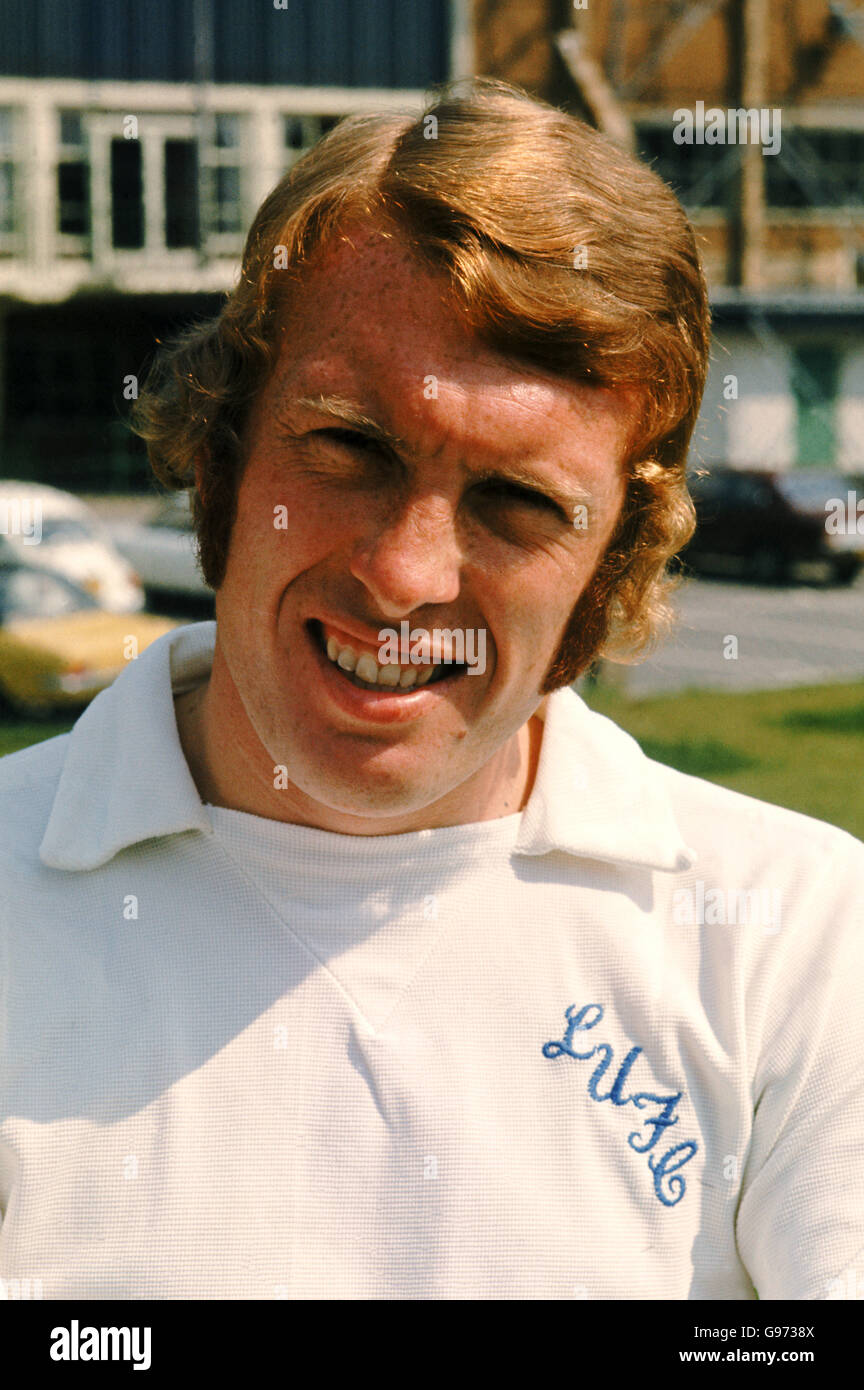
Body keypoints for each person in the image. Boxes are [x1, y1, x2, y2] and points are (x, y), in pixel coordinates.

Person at [1, 79, 861, 1302]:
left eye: (516, 504)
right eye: (349, 446)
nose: (402, 578)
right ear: (224, 454)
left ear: (608, 569)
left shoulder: (801, 934)